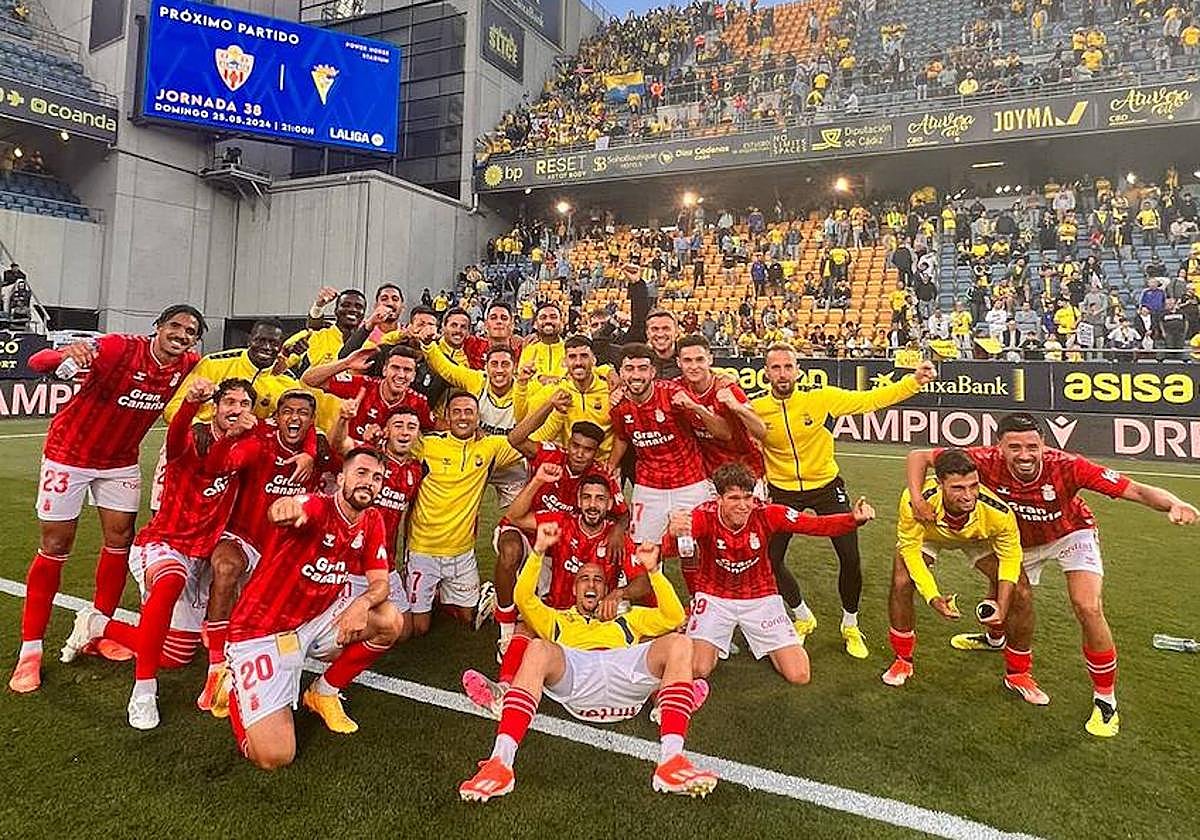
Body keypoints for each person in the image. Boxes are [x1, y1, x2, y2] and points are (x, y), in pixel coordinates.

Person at [906, 413, 1198, 736]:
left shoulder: (1068, 466)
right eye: (1014, 447)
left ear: (1043, 444)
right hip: (1016, 540)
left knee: (1088, 606)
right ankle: (994, 639)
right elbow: (920, 457)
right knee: (1006, 588)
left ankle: (1105, 699)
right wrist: (917, 499)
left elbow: (1136, 490)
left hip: (1071, 533)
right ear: (998, 447)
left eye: (1032, 446)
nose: (1025, 455)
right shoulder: (981, 460)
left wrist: (1173, 502)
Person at [9, 304, 204, 694]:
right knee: (55, 545)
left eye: (190, 331)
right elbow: (37, 360)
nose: (181, 334)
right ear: (158, 327)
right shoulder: (118, 348)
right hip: (70, 455)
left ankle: (97, 628)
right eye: (175, 326)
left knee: (119, 541)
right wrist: (65, 354)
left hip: (119, 464)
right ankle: (30, 651)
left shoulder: (189, 365)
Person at [457, 521, 718, 802]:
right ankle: (500, 763)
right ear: (574, 590)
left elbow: (674, 616)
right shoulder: (558, 618)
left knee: (679, 642)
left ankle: (671, 760)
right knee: (538, 648)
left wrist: (653, 571)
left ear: (606, 589)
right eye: (584, 579)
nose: (591, 583)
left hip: (626, 676)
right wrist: (540, 550)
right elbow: (523, 597)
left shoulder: (628, 618)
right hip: (578, 676)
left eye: (597, 580)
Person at [59, 377, 261, 729]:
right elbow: (193, 447)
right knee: (169, 582)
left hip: (204, 552)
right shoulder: (192, 436)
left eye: (245, 404)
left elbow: (228, 461)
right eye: (230, 402)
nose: (237, 410)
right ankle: (142, 693)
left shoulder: (248, 445)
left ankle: (96, 624)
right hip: (164, 542)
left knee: (176, 656)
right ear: (215, 406)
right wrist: (187, 405)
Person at [749, 343, 936, 657]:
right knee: (769, 561)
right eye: (775, 368)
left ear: (798, 370)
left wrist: (913, 381)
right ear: (766, 373)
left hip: (826, 488)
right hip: (781, 493)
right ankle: (802, 616)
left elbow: (869, 400)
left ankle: (850, 623)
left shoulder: (820, 399)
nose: (782, 373)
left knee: (849, 558)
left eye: (788, 367)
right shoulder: (755, 409)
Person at [224, 449, 403, 767]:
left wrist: (362, 603)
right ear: (341, 477)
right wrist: (286, 508)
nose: (369, 483)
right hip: (261, 630)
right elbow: (290, 509)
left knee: (390, 620)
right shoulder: (318, 507)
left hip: (317, 618)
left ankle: (323, 691)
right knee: (274, 757)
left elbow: (381, 584)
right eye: (361, 473)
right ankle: (234, 682)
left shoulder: (372, 519)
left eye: (377, 478)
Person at [664, 463, 876, 683]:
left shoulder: (768, 513)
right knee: (699, 668)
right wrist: (673, 533)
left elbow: (815, 525)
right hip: (715, 596)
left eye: (747, 497)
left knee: (799, 674)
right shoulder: (702, 515)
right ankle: (711, 636)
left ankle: (743, 638)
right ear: (719, 499)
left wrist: (853, 519)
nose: (743, 505)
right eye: (734, 498)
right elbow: (671, 551)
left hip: (760, 596)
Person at [195, 389, 329, 715]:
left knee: (268, 626)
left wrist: (313, 451)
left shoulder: (318, 451)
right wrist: (231, 438)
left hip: (282, 555)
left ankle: (242, 648)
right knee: (226, 568)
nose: (294, 418)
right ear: (276, 416)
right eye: (288, 412)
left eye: (303, 414)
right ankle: (216, 669)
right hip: (244, 537)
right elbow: (217, 465)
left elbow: (341, 461)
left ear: (312, 421)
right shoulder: (260, 443)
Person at [884, 448, 1045, 706]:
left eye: (973, 486)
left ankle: (1018, 674)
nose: (968, 495)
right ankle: (903, 661)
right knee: (902, 581)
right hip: (929, 532)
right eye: (958, 488)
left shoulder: (998, 512)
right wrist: (933, 597)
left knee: (1021, 591)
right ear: (939, 484)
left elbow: (1011, 561)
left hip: (976, 536)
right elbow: (911, 551)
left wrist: (1002, 607)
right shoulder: (915, 502)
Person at [406, 391, 525, 636]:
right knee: (418, 629)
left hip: (462, 553)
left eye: (469, 412)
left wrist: (551, 408)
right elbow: (396, 443)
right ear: (447, 417)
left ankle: (466, 592)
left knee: (467, 617)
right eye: (456, 412)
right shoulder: (427, 445)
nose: (463, 417)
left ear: (478, 417)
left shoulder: (489, 446)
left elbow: (519, 437)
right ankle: (424, 586)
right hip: (423, 550)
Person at [607, 343, 725, 541]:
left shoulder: (673, 394)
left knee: (701, 546)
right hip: (648, 486)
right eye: (629, 369)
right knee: (643, 549)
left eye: (643, 368)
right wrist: (611, 465)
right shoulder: (618, 406)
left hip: (690, 482)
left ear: (653, 371)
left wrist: (696, 407)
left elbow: (722, 432)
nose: (636, 375)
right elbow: (622, 437)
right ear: (620, 373)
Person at [301, 344, 434, 441]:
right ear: (384, 370)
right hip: (346, 458)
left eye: (407, 370)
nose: (401, 375)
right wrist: (346, 363)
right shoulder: (363, 385)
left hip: (384, 469)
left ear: (414, 376)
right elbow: (309, 379)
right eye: (395, 368)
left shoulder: (418, 403)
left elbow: (431, 428)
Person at [288, 287, 366, 371]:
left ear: (364, 313)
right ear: (336, 310)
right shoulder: (317, 335)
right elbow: (282, 364)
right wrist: (318, 306)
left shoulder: (369, 341)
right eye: (345, 305)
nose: (352, 309)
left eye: (358, 307)